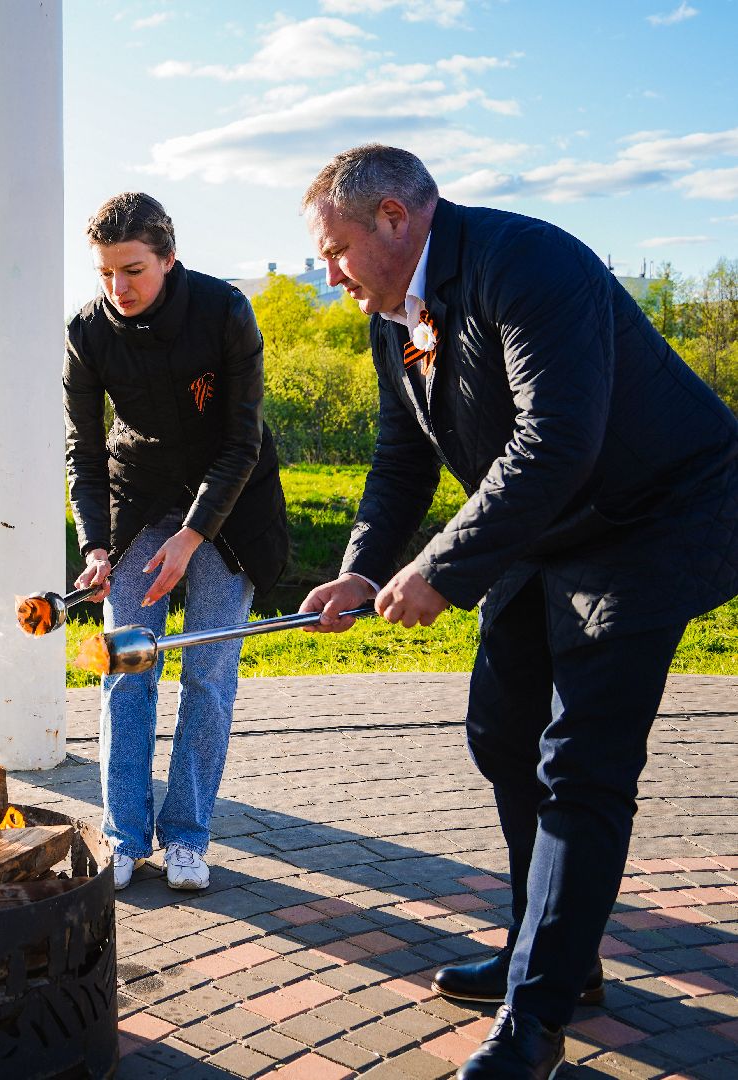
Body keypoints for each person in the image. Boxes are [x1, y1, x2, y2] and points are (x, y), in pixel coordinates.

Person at [296, 145, 738, 1079]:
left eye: (333, 250)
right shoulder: (393, 320)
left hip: (652, 518)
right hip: (548, 526)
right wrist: (359, 571)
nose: (328, 274)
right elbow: (401, 460)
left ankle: (535, 1021)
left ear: (391, 218)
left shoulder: (527, 263)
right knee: (502, 733)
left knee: (582, 763)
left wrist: (443, 571)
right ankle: (552, 957)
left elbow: (558, 435)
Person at [65, 192, 290, 893]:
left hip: (230, 504)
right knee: (126, 671)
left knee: (208, 674)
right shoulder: (87, 331)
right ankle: (124, 836)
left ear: (168, 258)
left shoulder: (225, 312)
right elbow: (84, 450)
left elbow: (241, 440)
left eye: (132, 270)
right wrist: (95, 547)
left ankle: (188, 836)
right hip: (138, 502)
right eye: (105, 273)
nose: (118, 288)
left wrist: (195, 536)